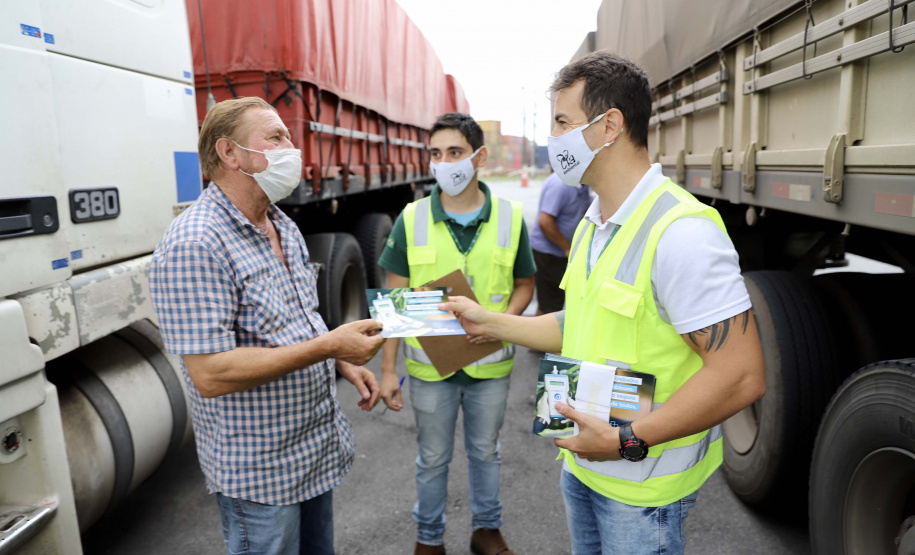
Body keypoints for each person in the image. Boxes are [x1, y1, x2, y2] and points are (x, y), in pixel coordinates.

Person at [440, 52, 766, 555]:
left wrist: (626, 439)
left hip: (642, 487)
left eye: (563, 123)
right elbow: (581, 322)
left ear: (610, 124)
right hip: (584, 465)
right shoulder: (595, 222)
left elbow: (740, 375)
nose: (555, 140)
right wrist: (491, 323)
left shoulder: (682, 232)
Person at [148, 97, 385, 555]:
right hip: (260, 474)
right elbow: (210, 373)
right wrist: (327, 347)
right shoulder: (194, 244)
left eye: (289, 137)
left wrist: (338, 356)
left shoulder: (282, 225)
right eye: (275, 137)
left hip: (312, 452)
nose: (291, 148)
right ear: (229, 153)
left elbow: (299, 319)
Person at [377, 113, 536, 555]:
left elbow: (526, 284)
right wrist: (388, 371)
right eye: (435, 154)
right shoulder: (410, 219)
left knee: (486, 452)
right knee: (432, 459)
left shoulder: (509, 218)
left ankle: (486, 530)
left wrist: (502, 323)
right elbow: (394, 302)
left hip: (490, 369)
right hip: (431, 373)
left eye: (455, 153)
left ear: (479, 157)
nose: (444, 163)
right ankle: (429, 539)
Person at [529, 172, 592, 314]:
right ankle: (541, 335)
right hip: (548, 254)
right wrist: (566, 247)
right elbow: (545, 222)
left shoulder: (582, 185)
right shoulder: (561, 185)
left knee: (556, 303)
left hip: (562, 253)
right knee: (549, 306)